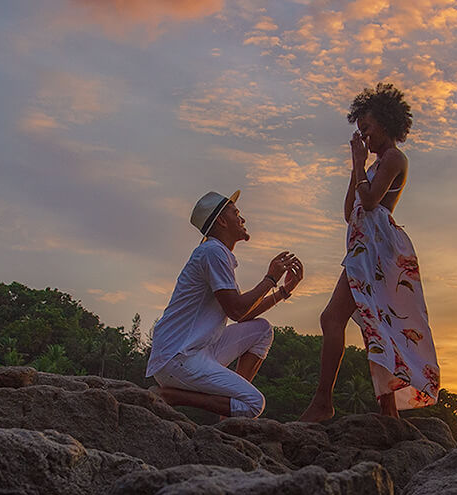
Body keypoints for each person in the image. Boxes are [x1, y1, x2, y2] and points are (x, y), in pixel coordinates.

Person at [297, 83, 440, 422]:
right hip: (364, 248)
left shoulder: (394, 158)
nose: (365, 137)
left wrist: (361, 165)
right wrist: (355, 166)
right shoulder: (371, 164)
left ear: (387, 124)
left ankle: (323, 402)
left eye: (368, 129)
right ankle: (388, 409)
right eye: (360, 132)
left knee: (333, 318)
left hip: (377, 250)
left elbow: (373, 200)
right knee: (374, 326)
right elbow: (350, 210)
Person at [147, 188, 304, 418]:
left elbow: (243, 314)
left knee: (262, 330)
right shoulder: (212, 252)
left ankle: (230, 408)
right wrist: (270, 278)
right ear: (221, 220)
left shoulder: (218, 254)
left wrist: (283, 291)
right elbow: (237, 309)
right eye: (236, 213)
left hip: (198, 351)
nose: (242, 219)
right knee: (254, 404)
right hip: (178, 357)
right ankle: (172, 396)